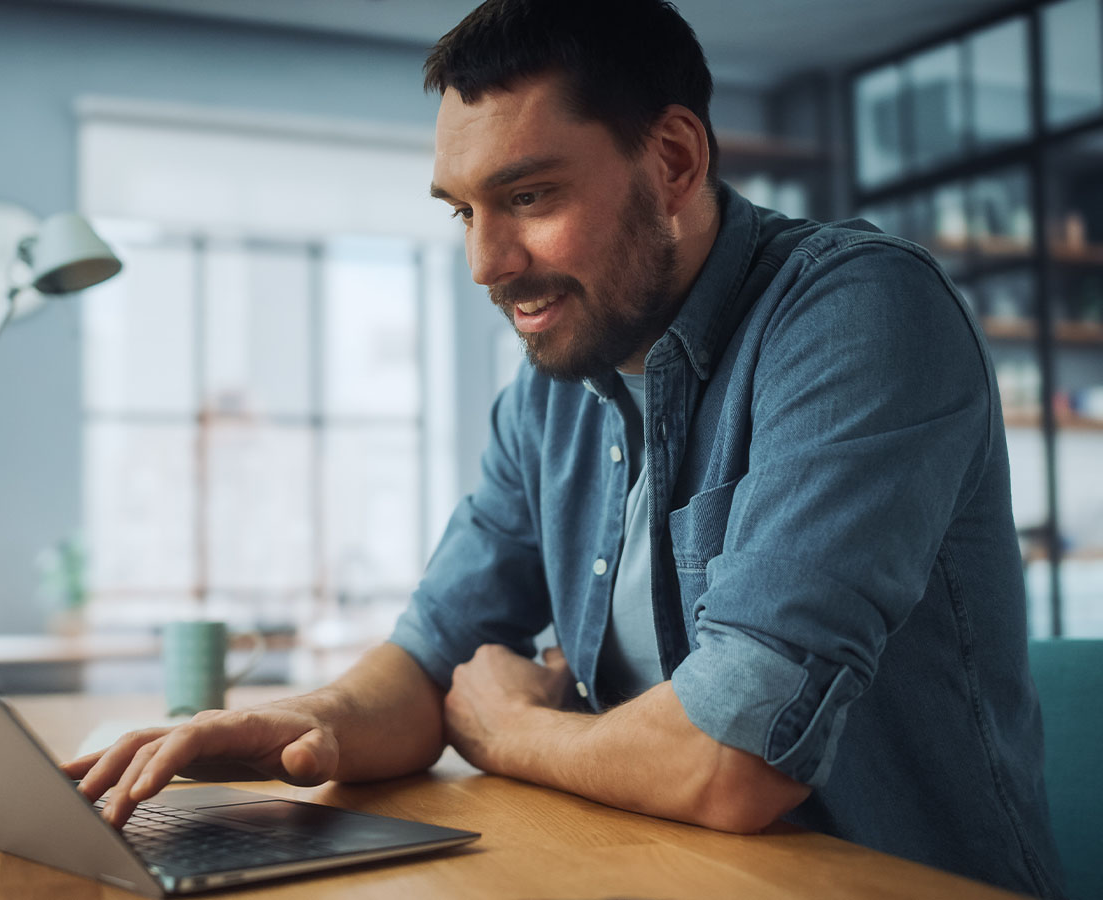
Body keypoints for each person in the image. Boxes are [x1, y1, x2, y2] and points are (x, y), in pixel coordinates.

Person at [64, 2, 1065, 896]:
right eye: (464, 211)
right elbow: (429, 665)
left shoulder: (862, 316)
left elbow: (731, 760)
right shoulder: (551, 393)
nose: (485, 264)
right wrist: (289, 722)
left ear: (673, 161)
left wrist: (508, 731)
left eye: (530, 198)